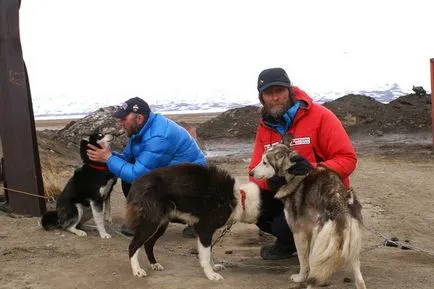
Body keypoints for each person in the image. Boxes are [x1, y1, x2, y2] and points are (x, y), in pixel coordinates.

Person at [248, 68, 357, 260]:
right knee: (256, 204)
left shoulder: (320, 116)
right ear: (261, 97)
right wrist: (270, 181)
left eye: (280, 91)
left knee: (289, 223)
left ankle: (322, 241)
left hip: (322, 195)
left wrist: (314, 169)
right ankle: (289, 243)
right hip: (291, 195)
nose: (275, 98)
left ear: (289, 91)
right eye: (269, 93)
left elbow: (347, 158)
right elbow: (254, 170)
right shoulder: (265, 126)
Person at [87, 97, 207, 237]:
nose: (121, 123)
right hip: (172, 176)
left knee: (138, 179)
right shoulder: (139, 131)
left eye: (124, 119)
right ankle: (141, 217)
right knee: (129, 176)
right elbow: (127, 159)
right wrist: (107, 155)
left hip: (191, 184)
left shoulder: (158, 137)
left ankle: (197, 218)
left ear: (139, 118)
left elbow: (137, 174)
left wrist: (108, 158)